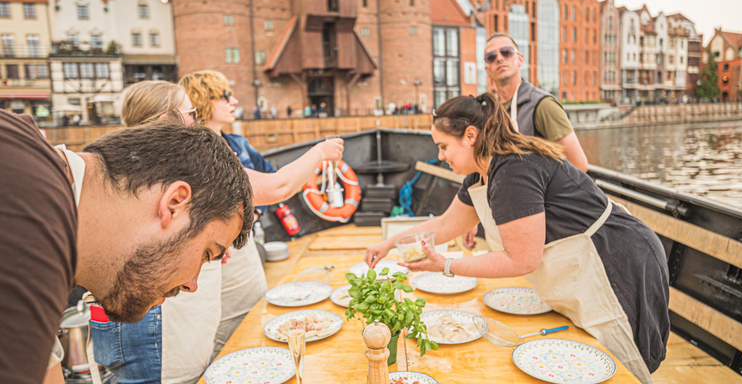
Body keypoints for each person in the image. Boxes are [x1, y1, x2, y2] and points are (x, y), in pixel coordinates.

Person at [365, 93, 669, 383]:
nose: (440, 156)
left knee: (624, 366)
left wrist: (445, 265)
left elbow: (521, 259)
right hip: (583, 271)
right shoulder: (480, 173)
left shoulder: (514, 170)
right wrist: (388, 243)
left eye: (443, 146)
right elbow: (444, 225)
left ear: (470, 136)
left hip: (617, 262)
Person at [90, 77, 343, 384]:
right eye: (192, 115)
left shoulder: (127, 164)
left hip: (133, 318)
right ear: (163, 120)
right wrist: (319, 153)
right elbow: (277, 186)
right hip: (156, 324)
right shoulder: (181, 164)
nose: (198, 124)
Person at [0, 110, 253, 384]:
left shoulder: (31, 171)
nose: (192, 285)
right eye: (207, 254)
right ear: (175, 203)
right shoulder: (33, 221)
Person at [462, 33, 590, 250]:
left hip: (546, 222)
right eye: (491, 57)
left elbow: (579, 166)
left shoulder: (542, 106)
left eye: (506, 52)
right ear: (487, 69)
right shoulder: (489, 114)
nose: (500, 59)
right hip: (506, 219)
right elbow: (485, 170)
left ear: (519, 59)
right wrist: (472, 218)